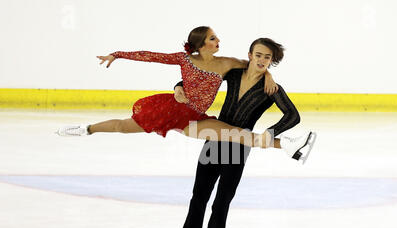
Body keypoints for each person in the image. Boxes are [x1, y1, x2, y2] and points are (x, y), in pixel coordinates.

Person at [168, 38, 316, 228]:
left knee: (221, 203)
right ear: (249, 54)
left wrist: (270, 134)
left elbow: (293, 116)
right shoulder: (234, 74)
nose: (262, 60)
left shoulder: (271, 89)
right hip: (214, 140)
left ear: (271, 61)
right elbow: (200, 79)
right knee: (198, 198)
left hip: (238, 148)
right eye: (258, 55)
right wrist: (178, 86)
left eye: (267, 57)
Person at [55, 26, 311, 154]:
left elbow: (256, 63)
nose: (217, 40)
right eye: (212, 38)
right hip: (169, 109)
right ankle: (86, 129)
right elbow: (150, 56)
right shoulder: (184, 59)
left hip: (194, 118)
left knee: (238, 135)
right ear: (201, 44)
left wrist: (269, 73)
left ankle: (288, 146)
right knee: (123, 127)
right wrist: (117, 55)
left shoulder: (228, 63)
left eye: (216, 37)